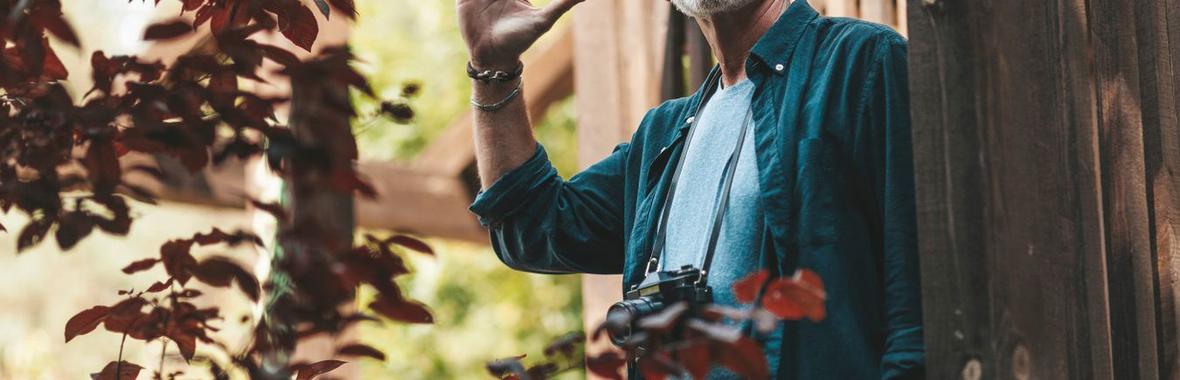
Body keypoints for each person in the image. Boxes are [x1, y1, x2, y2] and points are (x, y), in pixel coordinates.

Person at [456, 0, 924, 378]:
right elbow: (533, 229)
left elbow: (919, 311)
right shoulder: (665, 133)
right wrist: (492, 67)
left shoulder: (860, 65)